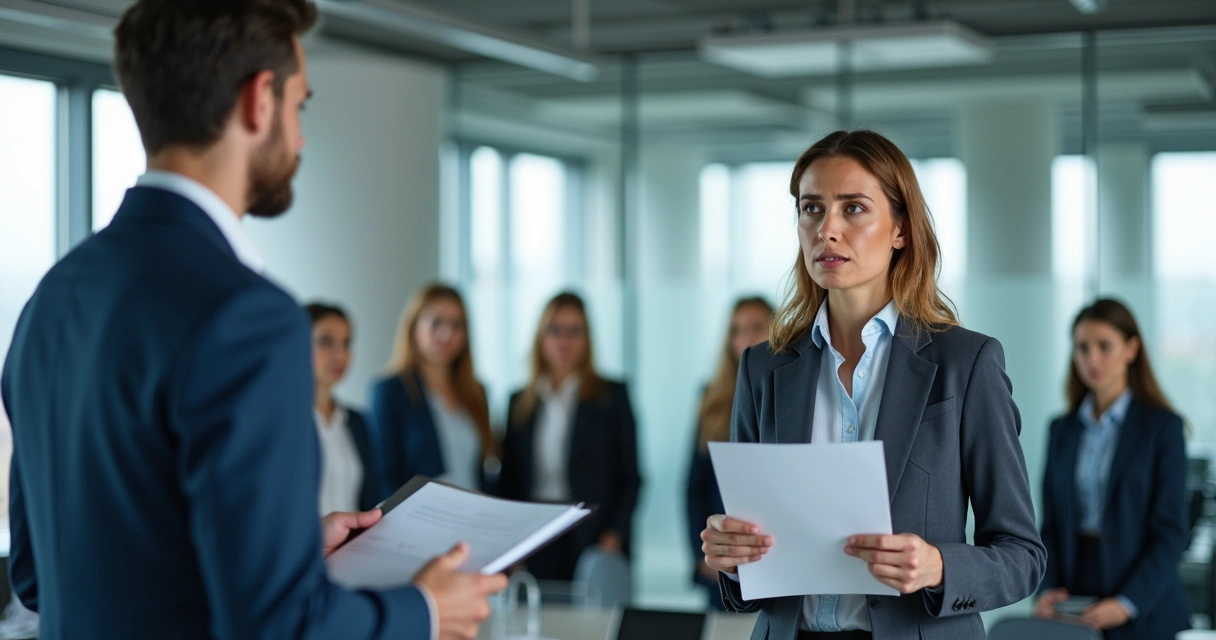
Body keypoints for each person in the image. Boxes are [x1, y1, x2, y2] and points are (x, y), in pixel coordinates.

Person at [0, 2, 505, 638]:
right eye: (301, 106)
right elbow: (278, 625)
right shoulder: (247, 316)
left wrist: (280, 554)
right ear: (259, 100)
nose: (301, 137)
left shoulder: (53, 298)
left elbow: (38, 576)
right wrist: (426, 610)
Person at [699, 130, 1046, 640]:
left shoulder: (966, 364)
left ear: (901, 228)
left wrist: (937, 567)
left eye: (854, 209)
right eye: (811, 208)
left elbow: (1022, 556)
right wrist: (732, 558)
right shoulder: (763, 368)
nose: (827, 230)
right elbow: (758, 571)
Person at [1034, 299, 1189, 639]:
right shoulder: (1062, 430)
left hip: (1145, 604)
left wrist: (1127, 602)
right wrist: (1047, 588)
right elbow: (1051, 527)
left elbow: (1171, 533)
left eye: (1105, 346)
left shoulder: (1162, 428)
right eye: (1082, 347)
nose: (1092, 359)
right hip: (1075, 600)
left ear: (1132, 349)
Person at [498, 292, 642, 581]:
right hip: (535, 533)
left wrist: (614, 533)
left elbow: (631, 477)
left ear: (587, 339)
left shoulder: (611, 396)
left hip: (593, 533)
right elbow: (509, 480)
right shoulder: (519, 402)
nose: (565, 340)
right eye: (555, 330)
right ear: (541, 337)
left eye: (575, 331)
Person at [686, 296, 773, 611]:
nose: (745, 337)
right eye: (736, 330)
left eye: (755, 327)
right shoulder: (711, 397)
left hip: (771, 547)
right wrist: (701, 555)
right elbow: (694, 487)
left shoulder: (788, 394)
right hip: (722, 549)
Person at [368, 284, 496, 496]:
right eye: (436, 323)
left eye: (457, 325)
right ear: (414, 327)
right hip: (419, 523)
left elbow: (485, 470)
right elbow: (382, 476)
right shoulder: (390, 391)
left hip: (475, 520)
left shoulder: (477, 392)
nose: (447, 334)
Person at [306, 302, 380, 514]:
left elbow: (369, 500)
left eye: (346, 343)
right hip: (305, 547)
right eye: (326, 342)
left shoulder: (357, 422)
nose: (340, 354)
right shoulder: (282, 422)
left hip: (354, 546)